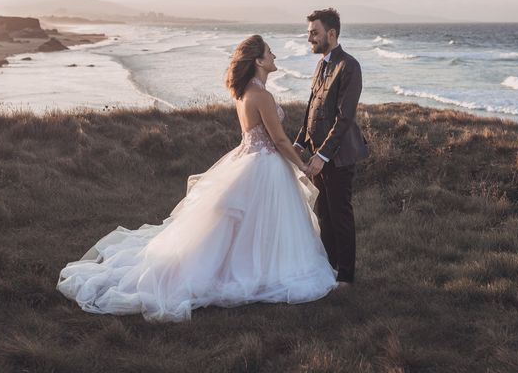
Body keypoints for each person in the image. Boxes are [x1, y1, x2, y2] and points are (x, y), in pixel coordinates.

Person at [57, 35, 337, 322]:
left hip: (249, 159)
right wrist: (302, 165)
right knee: (263, 223)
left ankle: (243, 266)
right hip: (263, 164)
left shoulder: (244, 93)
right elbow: (278, 139)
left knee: (244, 227)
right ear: (258, 61)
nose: (275, 55)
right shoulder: (262, 96)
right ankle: (257, 271)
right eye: (270, 52)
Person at [294, 8, 369, 286]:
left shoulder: (349, 66)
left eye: (314, 33)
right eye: (309, 33)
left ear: (332, 33)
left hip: (338, 157)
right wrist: (299, 142)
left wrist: (323, 155)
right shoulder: (321, 64)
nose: (310, 38)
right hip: (317, 155)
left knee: (340, 215)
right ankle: (329, 269)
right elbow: (312, 109)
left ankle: (346, 278)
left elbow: (344, 117)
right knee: (323, 213)